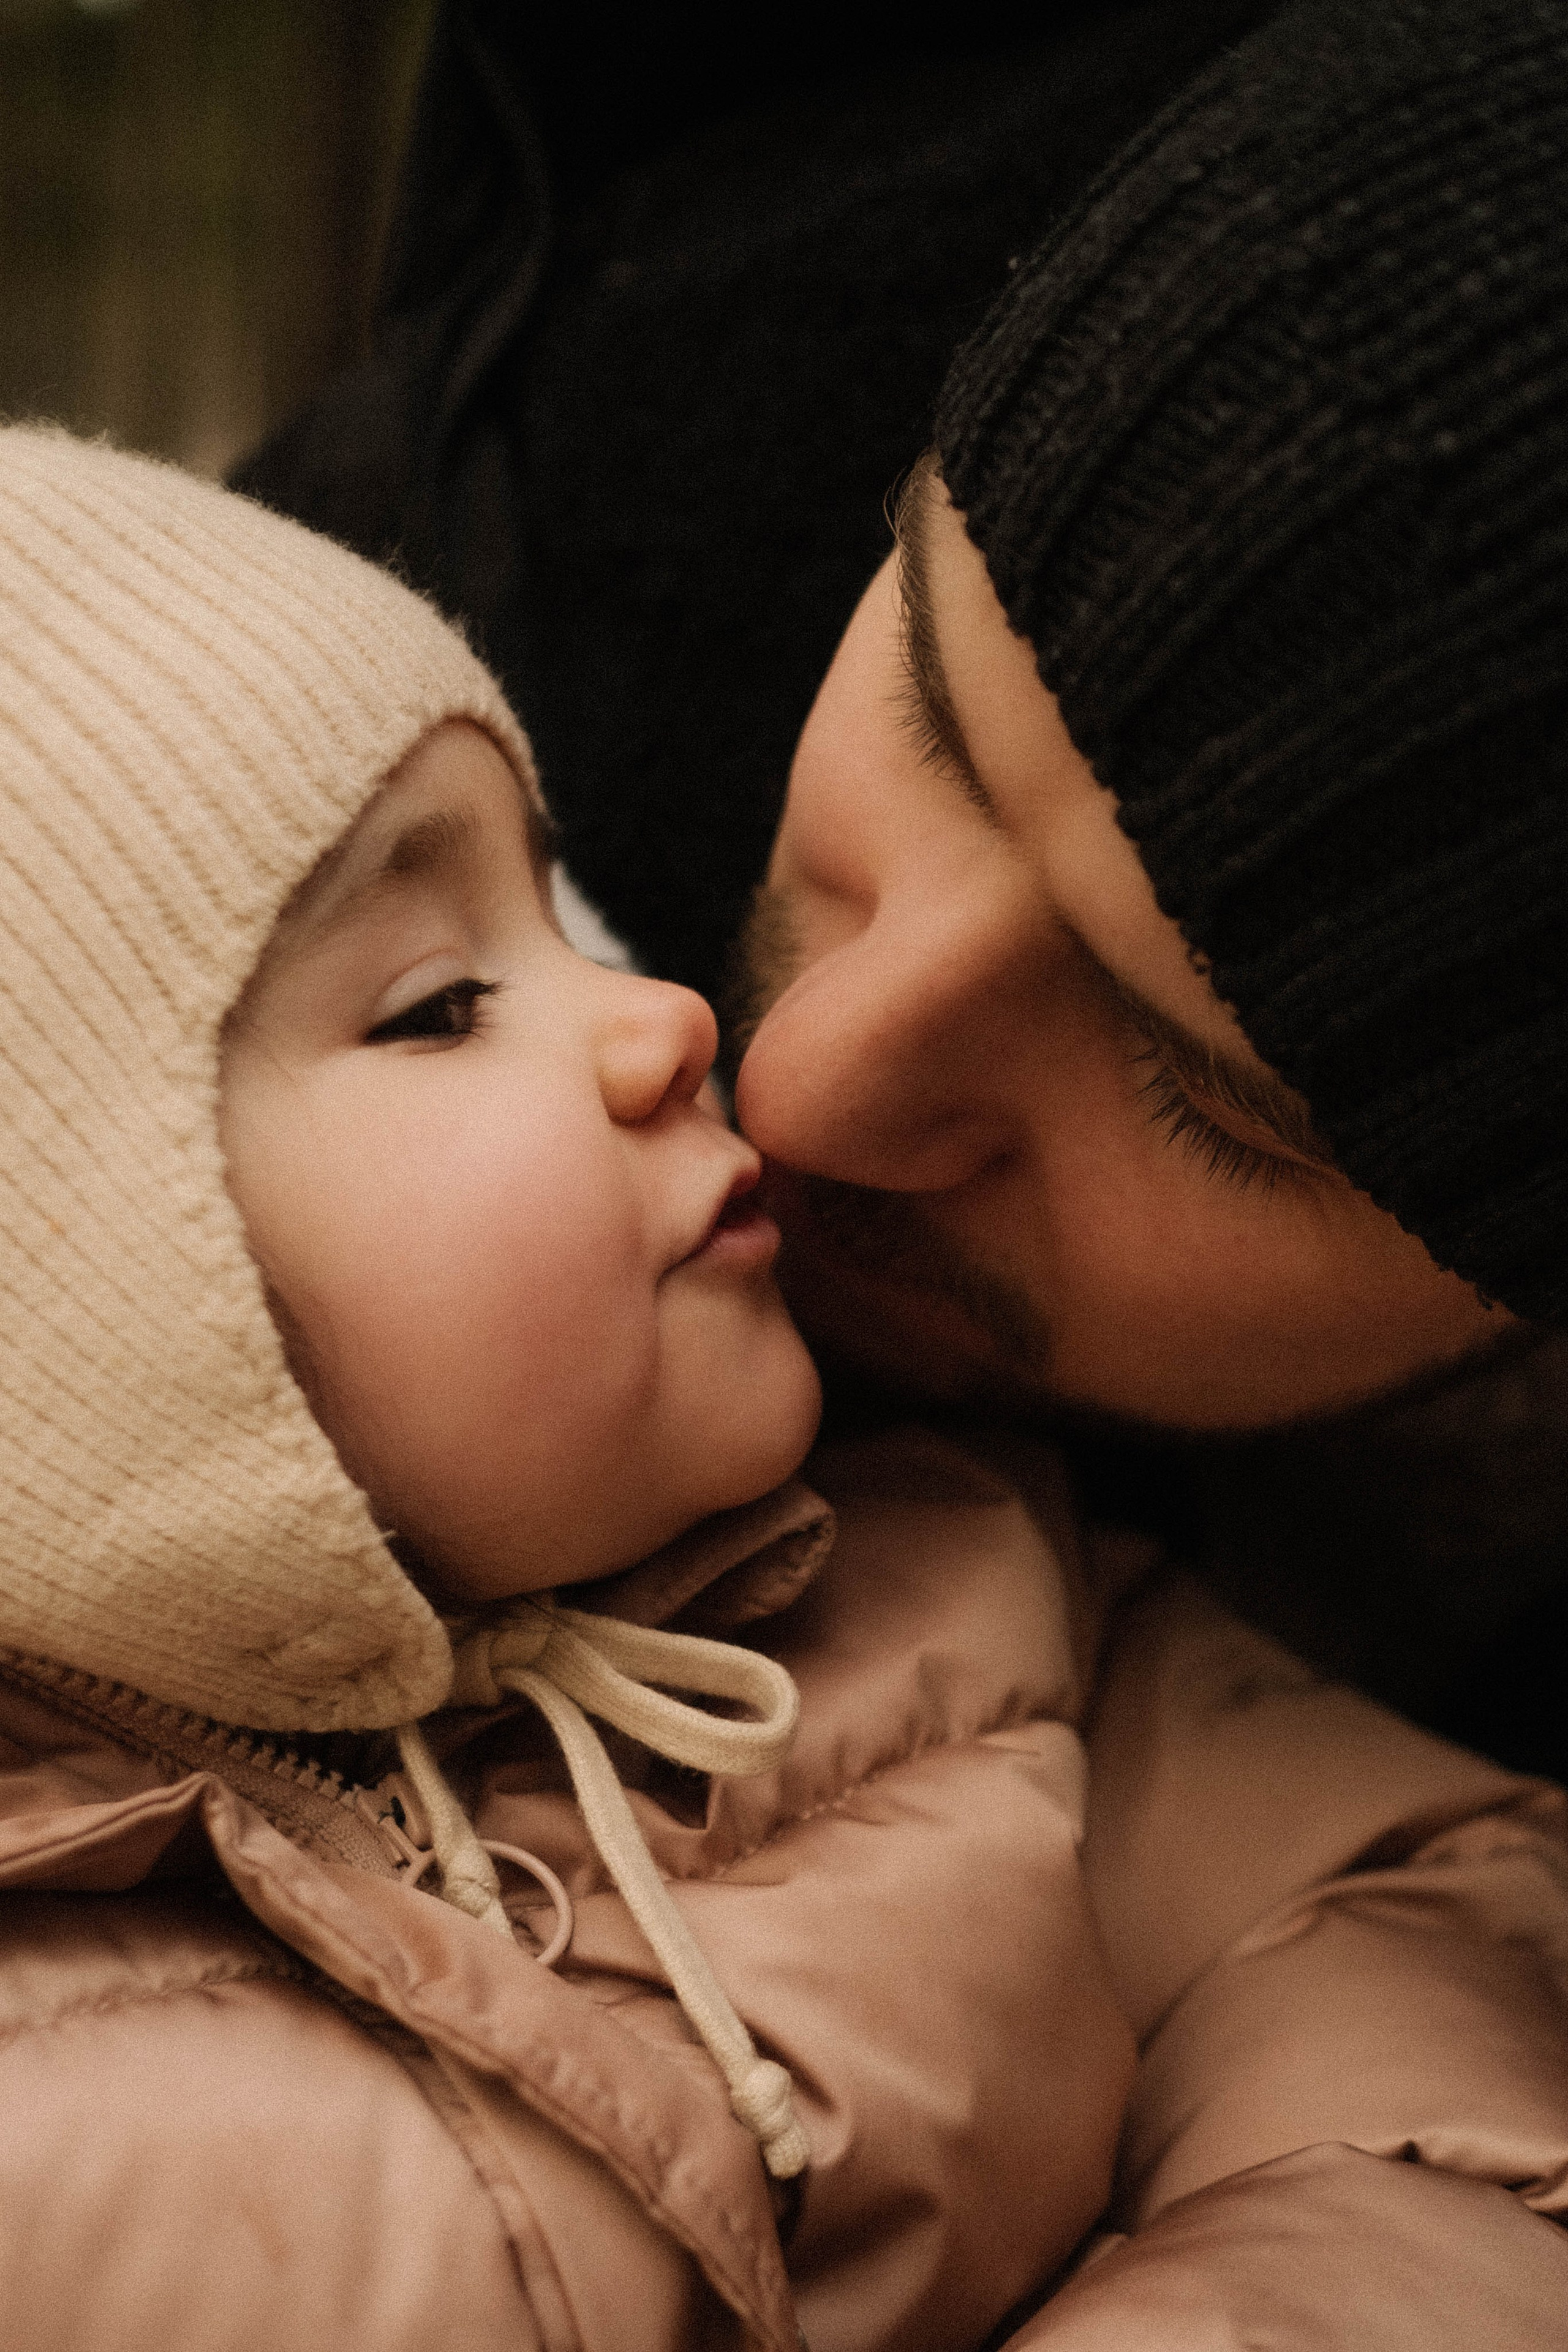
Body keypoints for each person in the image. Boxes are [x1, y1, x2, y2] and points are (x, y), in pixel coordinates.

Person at [7, 424, 1568, 2350]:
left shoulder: (961, 1601)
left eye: (556, 911)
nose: (668, 1016)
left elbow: (1438, 1918)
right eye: (440, 1002)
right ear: (75, 1328)